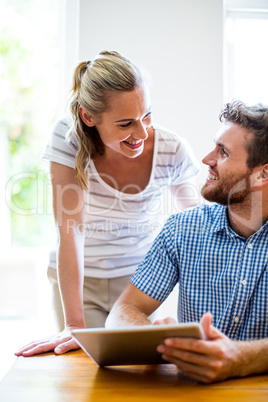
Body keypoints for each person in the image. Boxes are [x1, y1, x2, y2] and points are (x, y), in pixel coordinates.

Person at [15, 50, 199, 357]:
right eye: (126, 123)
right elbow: (71, 230)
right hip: (80, 282)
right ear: (89, 117)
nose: (141, 132)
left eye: (147, 116)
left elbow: (197, 225)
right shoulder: (69, 136)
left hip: (138, 286)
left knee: (138, 370)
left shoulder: (171, 148)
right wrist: (74, 324)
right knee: (81, 370)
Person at [106, 100, 268, 384]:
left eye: (223, 153)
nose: (207, 159)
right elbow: (123, 311)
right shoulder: (183, 229)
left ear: (262, 174)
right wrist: (155, 338)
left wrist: (241, 359)